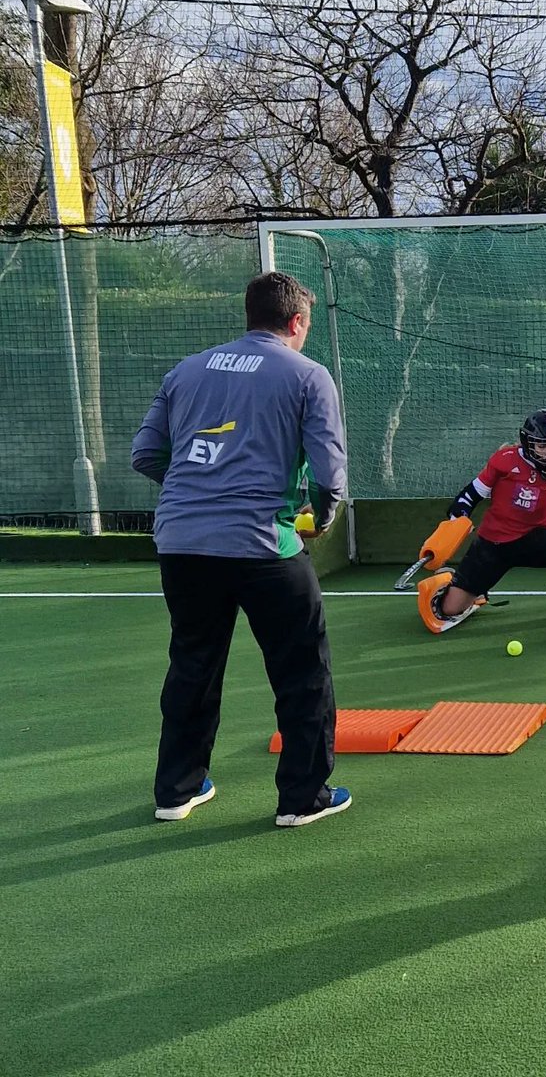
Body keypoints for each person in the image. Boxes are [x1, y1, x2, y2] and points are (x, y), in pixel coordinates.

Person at [132, 270, 351, 828]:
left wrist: (195, 495)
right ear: (297, 321)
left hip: (182, 542)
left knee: (192, 664)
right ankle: (303, 798)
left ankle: (176, 792)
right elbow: (329, 475)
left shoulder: (186, 369)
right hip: (263, 546)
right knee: (302, 671)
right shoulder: (308, 375)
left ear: (249, 315)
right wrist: (320, 521)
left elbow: (145, 455)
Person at [419, 409, 546, 630]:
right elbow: (469, 497)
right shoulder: (504, 460)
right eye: (543, 446)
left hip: (535, 540)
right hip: (493, 545)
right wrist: (457, 522)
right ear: (528, 443)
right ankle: (453, 580)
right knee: (448, 610)